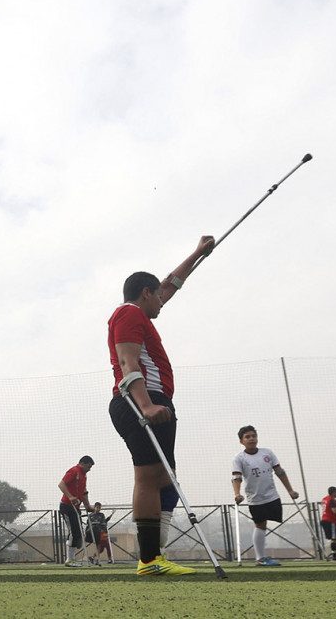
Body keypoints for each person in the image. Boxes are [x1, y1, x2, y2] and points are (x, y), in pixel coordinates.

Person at [108, 236, 215, 576]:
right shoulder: (129, 314)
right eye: (156, 297)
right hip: (141, 400)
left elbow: (169, 285)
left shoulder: (139, 312)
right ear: (145, 294)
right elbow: (127, 361)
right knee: (149, 478)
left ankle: (156, 553)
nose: (162, 303)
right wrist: (146, 405)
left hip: (152, 400)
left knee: (164, 478)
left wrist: (197, 254)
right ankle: (150, 559)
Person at [231, 425, 300, 566]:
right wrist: (237, 494)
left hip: (272, 495)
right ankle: (260, 558)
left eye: (253, 436)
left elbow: (279, 471)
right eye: (247, 437)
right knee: (260, 524)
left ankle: (262, 557)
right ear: (241, 441)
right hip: (255, 498)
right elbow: (236, 477)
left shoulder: (267, 453)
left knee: (266, 524)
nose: (251, 439)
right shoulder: (239, 458)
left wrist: (290, 490)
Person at [58, 456, 95, 567]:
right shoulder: (74, 471)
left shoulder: (84, 475)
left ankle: (72, 557)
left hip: (76, 507)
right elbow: (61, 484)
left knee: (78, 532)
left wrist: (87, 505)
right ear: (82, 464)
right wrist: (70, 496)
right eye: (88, 467)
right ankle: (70, 560)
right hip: (67, 506)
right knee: (73, 532)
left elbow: (84, 491)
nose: (89, 469)